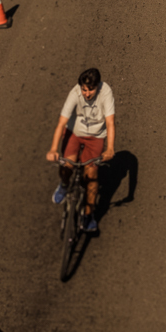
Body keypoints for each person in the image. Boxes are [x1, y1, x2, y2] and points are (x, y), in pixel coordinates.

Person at [45, 68, 116, 233]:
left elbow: (110, 122)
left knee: (91, 176)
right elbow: (61, 123)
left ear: (97, 86)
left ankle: (88, 215)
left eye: (91, 90)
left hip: (95, 137)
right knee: (67, 165)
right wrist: (53, 149)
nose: (87, 94)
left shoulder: (106, 93)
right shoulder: (75, 93)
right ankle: (64, 184)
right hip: (74, 133)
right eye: (84, 89)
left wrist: (110, 149)